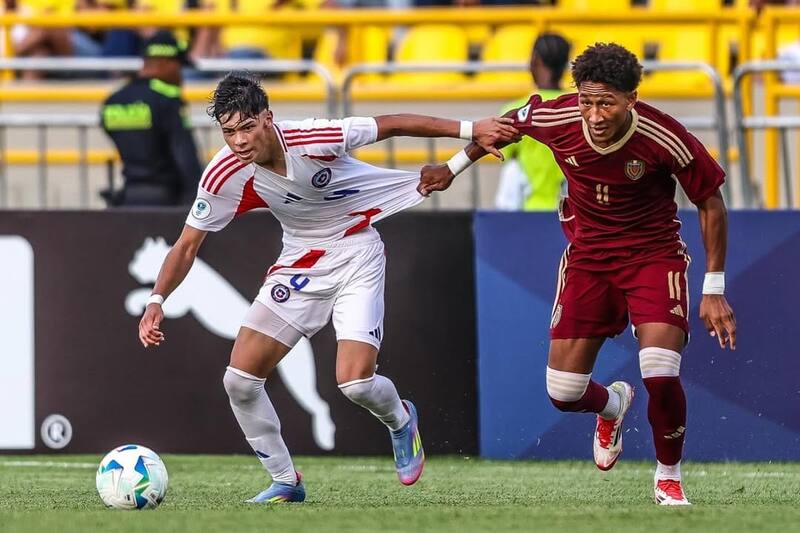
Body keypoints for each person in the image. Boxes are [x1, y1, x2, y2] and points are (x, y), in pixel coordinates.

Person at [137, 71, 518, 503]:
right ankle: (285, 480)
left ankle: (400, 420)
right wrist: (156, 299)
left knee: (354, 384)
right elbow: (187, 245)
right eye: (228, 132)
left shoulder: (315, 137)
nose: (239, 141)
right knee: (239, 381)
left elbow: (390, 123)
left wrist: (472, 130)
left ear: (268, 119)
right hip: (299, 263)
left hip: (357, 251)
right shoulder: (225, 173)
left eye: (246, 127)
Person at [419, 43, 737, 506]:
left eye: (606, 102)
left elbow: (710, 202)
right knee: (563, 392)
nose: (594, 113)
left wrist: (714, 287)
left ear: (632, 98)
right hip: (588, 258)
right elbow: (505, 127)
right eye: (587, 101)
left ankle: (668, 476)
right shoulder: (559, 117)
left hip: (653, 256)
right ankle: (612, 405)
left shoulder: (665, 136)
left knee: (659, 369)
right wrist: (451, 167)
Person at [100, 30, 203, 206]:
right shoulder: (168, 100)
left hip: (129, 199)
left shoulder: (113, 101)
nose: (180, 76)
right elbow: (185, 157)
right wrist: (198, 203)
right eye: (179, 67)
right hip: (169, 202)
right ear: (165, 62)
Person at [495, 32, 570, 211]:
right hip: (572, 212)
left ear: (535, 60)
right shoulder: (579, 107)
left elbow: (507, 157)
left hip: (528, 211)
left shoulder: (515, 111)